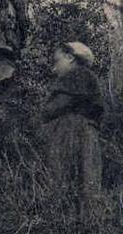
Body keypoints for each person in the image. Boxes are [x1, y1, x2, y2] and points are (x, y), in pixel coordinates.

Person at [42, 42, 105, 220]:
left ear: (70, 57)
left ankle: (66, 227)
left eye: (57, 61)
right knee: (85, 181)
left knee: (64, 179)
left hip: (72, 133)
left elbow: (52, 109)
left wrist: (41, 114)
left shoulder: (76, 76)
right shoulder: (87, 78)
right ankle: (84, 229)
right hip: (84, 134)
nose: (54, 68)